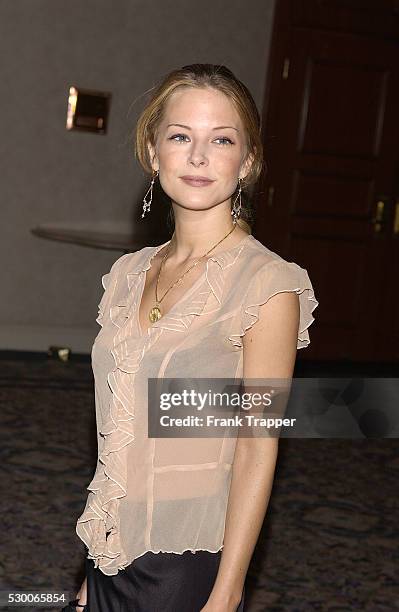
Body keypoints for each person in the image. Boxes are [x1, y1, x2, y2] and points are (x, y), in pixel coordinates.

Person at [67, 63, 318, 612]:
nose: (199, 157)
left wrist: (227, 591)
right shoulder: (129, 275)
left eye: (221, 139)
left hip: (186, 561)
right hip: (113, 549)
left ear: (247, 162)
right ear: (154, 156)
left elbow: (257, 445)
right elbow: (118, 435)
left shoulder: (267, 285)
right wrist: (93, 564)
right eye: (181, 137)